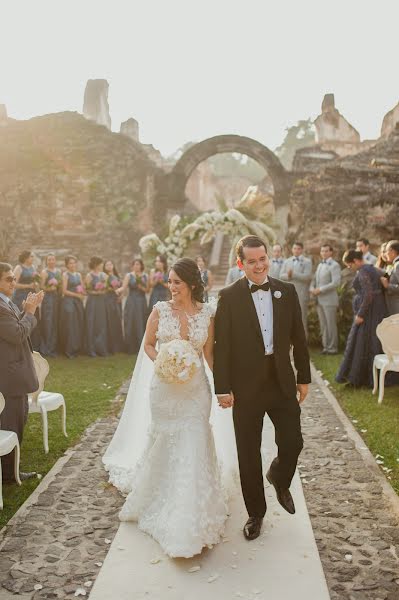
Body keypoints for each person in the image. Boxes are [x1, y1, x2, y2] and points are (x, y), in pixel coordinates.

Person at [103, 258, 229, 558]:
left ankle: (192, 510)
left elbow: (209, 355)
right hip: (164, 389)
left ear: (192, 285)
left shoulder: (208, 314)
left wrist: (224, 386)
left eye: (177, 283)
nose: (171, 287)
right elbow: (147, 344)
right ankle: (162, 494)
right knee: (166, 439)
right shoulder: (159, 311)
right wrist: (163, 361)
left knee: (196, 437)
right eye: (169, 282)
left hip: (197, 390)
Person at [214, 235, 310, 541]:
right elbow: (223, 346)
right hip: (246, 387)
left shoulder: (287, 290)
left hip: (281, 381)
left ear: (269, 257)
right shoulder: (229, 296)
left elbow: (299, 337)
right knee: (248, 452)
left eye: (263, 259)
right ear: (240, 263)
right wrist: (222, 387)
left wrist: (303, 377)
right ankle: (256, 513)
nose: (259, 266)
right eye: (252, 261)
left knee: (293, 441)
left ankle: (279, 476)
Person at [0, 262, 43, 481]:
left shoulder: (6, 303)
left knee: (19, 420)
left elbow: (22, 327)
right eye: (8, 279)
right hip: (9, 375)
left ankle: (10, 469)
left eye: (13, 278)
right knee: (11, 423)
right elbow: (17, 334)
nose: (13, 282)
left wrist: (27, 310)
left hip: (15, 371)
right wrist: (30, 312)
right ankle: (8, 473)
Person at [336, 250, 387, 387]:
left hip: (369, 312)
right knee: (370, 342)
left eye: (349, 264)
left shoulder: (363, 271)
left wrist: (360, 314)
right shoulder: (372, 268)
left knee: (362, 342)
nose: (349, 267)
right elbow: (383, 278)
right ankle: (369, 378)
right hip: (377, 309)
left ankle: (358, 379)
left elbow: (368, 294)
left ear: (356, 261)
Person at [310, 244, 341, 355]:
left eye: (326, 251)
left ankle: (333, 348)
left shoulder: (334, 265)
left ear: (331, 252)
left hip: (330, 300)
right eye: (322, 251)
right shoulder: (320, 265)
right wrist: (312, 288)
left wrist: (320, 290)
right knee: (323, 325)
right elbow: (314, 280)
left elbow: (336, 282)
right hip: (319, 300)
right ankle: (326, 347)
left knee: (330, 324)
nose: (323, 253)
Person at [279, 242, 312, 336]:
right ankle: (291, 342)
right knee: (289, 318)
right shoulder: (287, 261)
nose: (296, 250)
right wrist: (288, 276)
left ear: (301, 250)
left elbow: (307, 277)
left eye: (298, 249)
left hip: (301, 294)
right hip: (289, 294)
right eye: (294, 248)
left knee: (302, 318)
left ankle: (303, 342)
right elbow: (281, 275)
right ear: (292, 249)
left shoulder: (307, 261)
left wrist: (293, 274)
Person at [13, 250, 41, 351]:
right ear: (25, 258)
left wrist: (36, 285)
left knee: (32, 318)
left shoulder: (33, 268)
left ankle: (32, 346)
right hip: (21, 297)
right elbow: (14, 284)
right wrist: (28, 285)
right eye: (31, 257)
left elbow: (35, 281)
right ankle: (20, 346)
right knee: (22, 318)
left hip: (31, 295)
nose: (33, 259)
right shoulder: (19, 268)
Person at [121, 259, 149, 355]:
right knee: (130, 321)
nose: (136, 266)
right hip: (132, 301)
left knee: (141, 322)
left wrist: (142, 287)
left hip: (141, 302)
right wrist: (118, 291)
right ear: (132, 266)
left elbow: (147, 290)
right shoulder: (129, 275)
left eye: (138, 264)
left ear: (141, 266)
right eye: (135, 264)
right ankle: (130, 347)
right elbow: (124, 287)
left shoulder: (145, 276)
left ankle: (141, 347)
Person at [59, 256, 85, 358]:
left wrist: (83, 293)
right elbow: (64, 291)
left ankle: (77, 348)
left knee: (78, 325)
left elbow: (82, 288)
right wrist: (77, 295)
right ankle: (68, 350)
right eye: (70, 263)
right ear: (67, 265)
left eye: (74, 263)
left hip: (78, 302)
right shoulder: (65, 275)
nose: (73, 265)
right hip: (68, 302)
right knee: (70, 325)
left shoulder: (79, 274)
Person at [85, 256, 109, 357]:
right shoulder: (89, 275)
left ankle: (101, 348)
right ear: (96, 264)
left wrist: (103, 290)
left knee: (101, 324)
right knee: (92, 324)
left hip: (101, 302)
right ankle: (91, 349)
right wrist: (96, 292)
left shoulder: (104, 275)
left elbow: (107, 288)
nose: (102, 265)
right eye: (100, 263)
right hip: (92, 301)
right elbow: (87, 290)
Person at [39, 253, 61, 357]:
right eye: (49, 260)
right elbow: (41, 286)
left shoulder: (58, 271)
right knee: (48, 322)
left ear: (55, 261)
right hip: (48, 299)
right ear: (46, 261)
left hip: (57, 298)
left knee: (55, 322)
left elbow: (60, 285)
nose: (51, 261)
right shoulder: (44, 272)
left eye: (53, 259)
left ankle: (53, 347)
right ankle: (46, 348)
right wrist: (49, 289)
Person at [104, 259, 125, 353]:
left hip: (117, 301)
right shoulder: (104, 276)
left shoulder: (117, 276)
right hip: (109, 300)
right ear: (104, 267)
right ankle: (110, 347)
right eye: (107, 265)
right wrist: (112, 289)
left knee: (117, 321)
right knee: (110, 321)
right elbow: (104, 288)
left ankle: (119, 346)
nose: (109, 266)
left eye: (110, 264)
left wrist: (121, 295)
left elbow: (122, 287)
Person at [380, 240, 399, 315]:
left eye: (386, 251)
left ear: (392, 251)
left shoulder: (398, 265)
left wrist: (387, 285)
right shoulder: (394, 264)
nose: (385, 254)